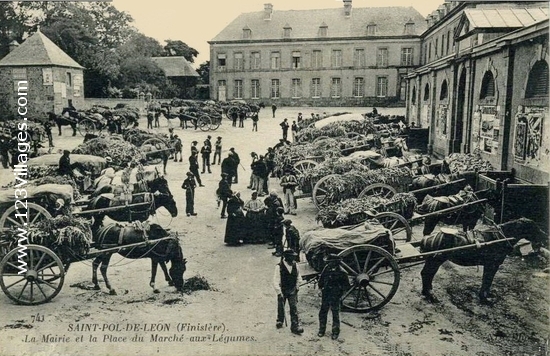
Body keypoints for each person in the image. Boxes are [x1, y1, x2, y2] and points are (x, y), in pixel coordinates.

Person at [317, 254, 350, 340]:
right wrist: (321, 288)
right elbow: (321, 280)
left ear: (335, 263)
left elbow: (346, 285)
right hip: (326, 294)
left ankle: (335, 332)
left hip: (335, 295)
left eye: (330, 262)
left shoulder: (342, 272)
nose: (328, 264)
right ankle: (321, 330)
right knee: (323, 312)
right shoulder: (326, 268)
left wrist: (340, 292)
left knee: (335, 313)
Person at [273, 249, 303, 335]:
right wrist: (279, 292)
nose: (293, 258)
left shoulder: (295, 265)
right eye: (291, 257)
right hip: (283, 290)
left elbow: (298, 277)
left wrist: (297, 286)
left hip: (292, 290)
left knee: (293, 307)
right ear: (286, 258)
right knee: (281, 305)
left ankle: (295, 326)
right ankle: (280, 320)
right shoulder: (279, 267)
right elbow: (275, 281)